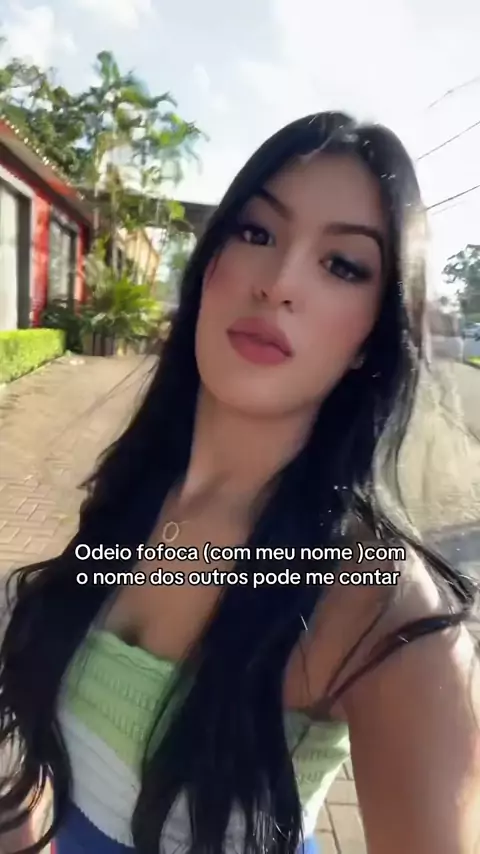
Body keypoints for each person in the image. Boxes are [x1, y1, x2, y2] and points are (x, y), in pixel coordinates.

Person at [1, 111, 479, 854]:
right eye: (257, 232)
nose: (278, 284)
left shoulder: (383, 610)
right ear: (209, 264)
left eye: (342, 265)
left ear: (371, 338)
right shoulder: (133, 492)